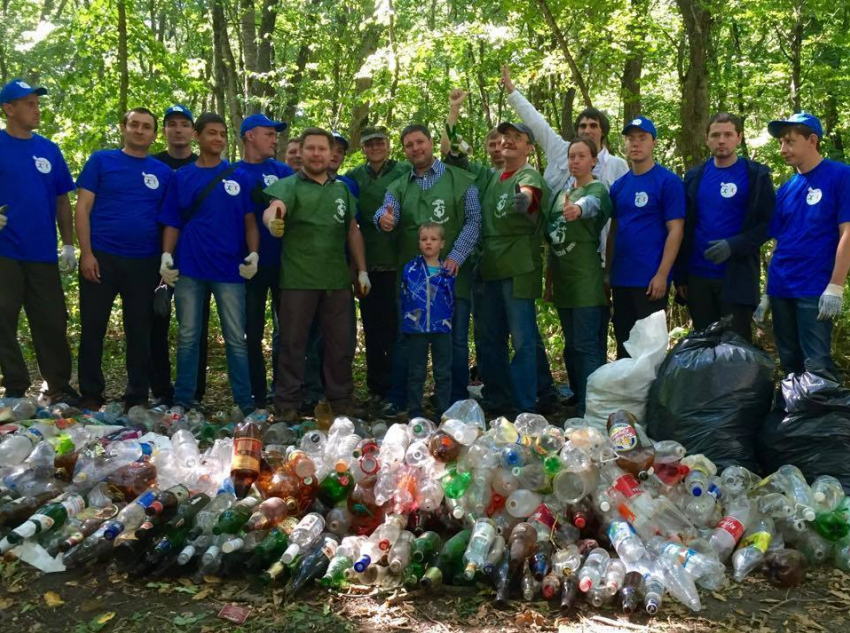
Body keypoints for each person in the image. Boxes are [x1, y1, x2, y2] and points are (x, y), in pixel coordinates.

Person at [262, 127, 370, 421]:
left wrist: (361, 271)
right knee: (292, 344)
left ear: (331, 152)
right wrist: (273, 222)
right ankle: (287, 404)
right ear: (302, 152)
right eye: (310, 148)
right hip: (298, 280)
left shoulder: (342, 190)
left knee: (340, 344)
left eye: (322, 149)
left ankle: (341, 402)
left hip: (336, 280)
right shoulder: (290, 185)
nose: (316, 154)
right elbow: (275, 208)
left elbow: (352, 231)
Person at [374, 124, 480, 418]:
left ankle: (453, 400)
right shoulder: (399, 185)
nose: (415, 148)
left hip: (450, 279)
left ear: (431, 142)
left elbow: (474, 221)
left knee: (455, 341)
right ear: (404, 150)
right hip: (413, 284)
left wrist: (456, 256)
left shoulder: (460, 179)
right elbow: (387, 210)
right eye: (409, 145)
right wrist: (382, 219)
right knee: (406, 341)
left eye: (420, 142)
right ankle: (403, 400)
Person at [158, 112, 259, 415]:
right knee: (188, 336)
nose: (217, 139)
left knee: (235, 339)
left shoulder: (240, 176)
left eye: (222, 134)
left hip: (230, 269)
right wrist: (166, 255)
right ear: (198, 137)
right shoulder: (182, 177)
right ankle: (184, 400)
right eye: (211, 133)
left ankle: (244, 402)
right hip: (189, 268)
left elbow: (250, 221)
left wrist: (254, 253)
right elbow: (173, 221)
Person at [74, 108, 173, 411]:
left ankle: (136, 396)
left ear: (155, 134)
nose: (140, 131)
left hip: (145, 262)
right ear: (124, 128)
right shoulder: (102, 161)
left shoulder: (163, 172)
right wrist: (86, 253)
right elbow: (82, 207)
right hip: (102, 257)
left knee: (140, 331)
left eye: (147, 127)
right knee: (93, 327)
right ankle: (91, 393)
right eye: (134, 125)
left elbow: (170, 219)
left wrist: (166, 261)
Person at [0, 78, 78, 404]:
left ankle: (58, 386)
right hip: (4, 251)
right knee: (2, 317)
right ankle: (15, 386)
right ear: (9, 109)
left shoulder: (48, 149)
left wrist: (69, 244)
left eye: (37, 102)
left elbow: (63, 200)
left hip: (43, 253)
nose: (37, 109)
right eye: (29, 103)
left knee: (51, 320)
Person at [759, 112, 850, 374]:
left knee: (816, 362)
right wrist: (767, 292)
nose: (783, 149)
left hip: (813, 287)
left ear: (812, 140)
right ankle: (796, 413)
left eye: (789, 141)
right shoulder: (787, 188)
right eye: (780, 143)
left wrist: (835, 285)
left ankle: (821, 414)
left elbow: (847, 232)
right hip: (781, 287)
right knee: (789, 361)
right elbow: (779, 243)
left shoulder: (840, 176)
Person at [675, 113, 775, 341]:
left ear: (739, 137)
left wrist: (734, 245)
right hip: (698, 278)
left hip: (736, 278)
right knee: (704, 346)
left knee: (735, 349)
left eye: (728, 134)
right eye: (716, 135)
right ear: (707, 139)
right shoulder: (694, 177)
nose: (722, 140)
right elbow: (684, 227)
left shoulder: (755, 175)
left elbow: (768, 224)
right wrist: (680, 275)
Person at [477, 121, 549, 413]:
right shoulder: (494, 178)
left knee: (522, 339)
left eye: (516, 138)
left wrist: (527, 199)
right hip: (491, 266)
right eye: (505, 137)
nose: (508, 141)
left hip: (518, 266)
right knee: (491, 336)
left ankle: (525, 405)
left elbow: (531, 192)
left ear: (529, 147)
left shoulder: (527, 173)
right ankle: (498, 398)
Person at [607, 116, 685, 358]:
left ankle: (651, 397)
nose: (636, 144)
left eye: (642, 138)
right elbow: (614, 230)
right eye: (631, 139)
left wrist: (662, 274)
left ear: (653, 143)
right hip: (621, 279)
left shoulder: (667, 181)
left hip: (650, 281)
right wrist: (607, 273)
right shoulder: (619, 186)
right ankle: (627, 395)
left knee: (649, 351)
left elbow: (676, 229)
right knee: (624, 345)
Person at [545, 137, 612, 416]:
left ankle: (593, 410)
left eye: (581, 156)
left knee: (587, 347)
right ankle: (578, 401)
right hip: (563, 283)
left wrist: (579, 208)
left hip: (586, 282)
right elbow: (552, 239)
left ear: (593, 160)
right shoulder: (561, 193)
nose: (575, 161)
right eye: (571, 156)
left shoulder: (598, 188)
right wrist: (548, 283)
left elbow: (593, 204)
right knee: (572, 347)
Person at [345, 126, 411, 402]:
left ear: (388, 144)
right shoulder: (354, 177)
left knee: (399, 327)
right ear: (362, 148)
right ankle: (377, 386)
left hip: (400, 261)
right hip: (369, 263)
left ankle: (401, 386)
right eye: (369, 144)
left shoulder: (404, 171)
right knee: (373, 328)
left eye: (379, 143)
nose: (375, 148)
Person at [150, 104, 210, 408]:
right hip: (157, 255)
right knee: (156, 320)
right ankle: (161, 389)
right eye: (172, 124)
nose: (178, 129)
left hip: (198, 259)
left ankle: (195, 391)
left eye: (184, 124)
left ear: (193, 132)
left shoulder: (205, 165)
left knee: (195, 327)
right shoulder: (152, 164)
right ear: (164, 131)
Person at [235, 113, 294, 409]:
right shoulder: (232, 173)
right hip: (248, 267)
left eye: (276, 134)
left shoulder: (283, 171)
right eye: (269, 134)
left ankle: (284, 392)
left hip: (285, 265)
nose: (275, 139)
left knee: (289, 333)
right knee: (251, 333)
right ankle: (256, 395)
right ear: (250, 136)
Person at [401, 222, 454, 417]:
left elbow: (452, 298)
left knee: (443, 372)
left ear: (442, 243)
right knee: (416, 372)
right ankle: (415, 411)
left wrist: (448, 320)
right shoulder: (411, 269)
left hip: (441, 327)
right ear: (419, 243)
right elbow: (405, 295)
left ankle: (443, 411)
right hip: (417, 329)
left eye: (433, 239)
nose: (428, 243)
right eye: (424, 239)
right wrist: (408, 322)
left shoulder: (447, 271)